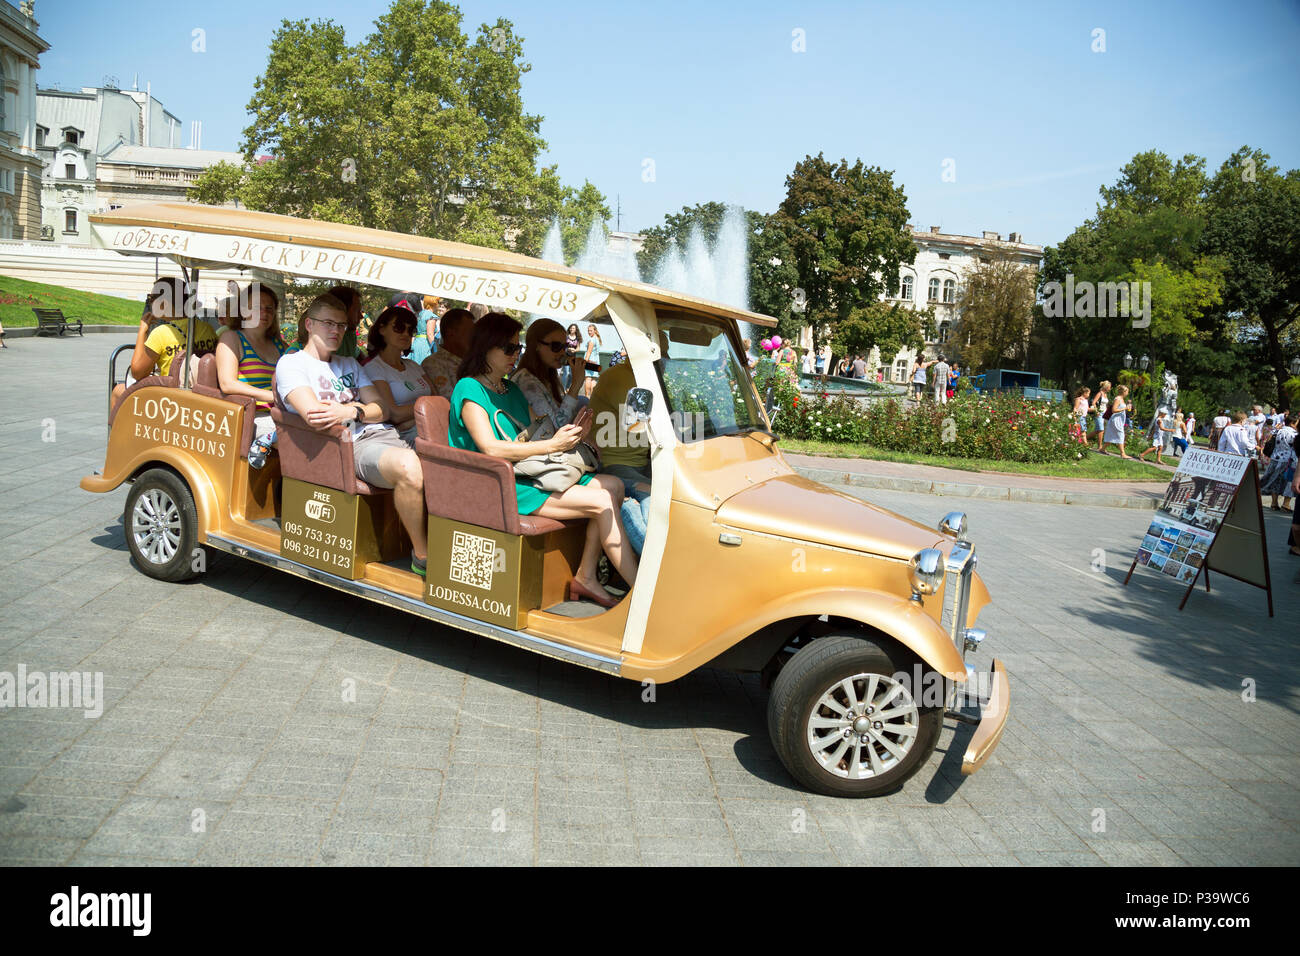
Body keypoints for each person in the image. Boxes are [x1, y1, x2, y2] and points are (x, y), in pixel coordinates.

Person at [447, 313, 637, 607]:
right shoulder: (469, 388)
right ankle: (641, 595)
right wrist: (554, 443)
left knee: (613, 485)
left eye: (517, 348)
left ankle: (586, 576)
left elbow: (539, 430)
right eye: (509, 349)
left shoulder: (509, 388)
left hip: (523, 474)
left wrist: (572, 435)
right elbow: (491, 449)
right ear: (486, 347)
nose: (515, 355)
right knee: (602, 502)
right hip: (496, 482)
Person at [276, 293, 428, 575]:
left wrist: (351, 411)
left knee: (452, 460)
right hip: (349, 446)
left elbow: (382, 409)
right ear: (309, 324)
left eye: (342, 325)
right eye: (328, 323)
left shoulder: (350, 364)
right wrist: (362, 407)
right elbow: (315, 415)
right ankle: (423, 556)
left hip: (385, 434)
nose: (336, 331)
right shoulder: (292, 363)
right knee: (410, 466)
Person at [113, 277, 218, 407]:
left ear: (163, 304)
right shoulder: (207, 329)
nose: (150, 303)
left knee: (118, 390)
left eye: (151, 299)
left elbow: (137, 373)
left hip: (170, 399)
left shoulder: (161, 333)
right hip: (202, 394)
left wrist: (142, 331)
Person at [214, 283, 287, 469]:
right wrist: (271, 396)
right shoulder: (231, 339)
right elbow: (227, 384)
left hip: (281, 413)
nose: (264, 312)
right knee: (296, 444)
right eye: (256, 307)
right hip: (251, 416)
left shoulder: (280, 345)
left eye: (269, 308)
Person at [363, 304, 434, 445]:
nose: (406, 334)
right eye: (399, 327)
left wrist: (412, 418)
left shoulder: (414, 366)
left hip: (426, 426)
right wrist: (428, 409)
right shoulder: (374, 368)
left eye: (410, 330)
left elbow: (437, 399)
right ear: (382, 329)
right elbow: (393, 414)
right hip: (403, 438)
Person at [511, 318, 586, 423]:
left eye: (564, 347)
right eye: (556, 346)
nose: (562, 353)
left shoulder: (549, 377)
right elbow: (555, 428)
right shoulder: (526, 382)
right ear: (536, 345)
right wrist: (575, 385)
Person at [421, 307, 474, 398]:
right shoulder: (433, 364)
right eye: (470, 332)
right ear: (451, 333)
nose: (473, 338)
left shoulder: (471, 362)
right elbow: (449, 400)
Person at [1260, 412, 1297, 511]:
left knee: (1275, 480)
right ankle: (1286, 504)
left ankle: (1274, 503)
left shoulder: (1277, 431)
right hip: (1288, 460)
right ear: (1293, 423)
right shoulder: (1294, 434)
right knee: (1288, 482)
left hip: (1275, 458)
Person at [411, 295, 441, 366]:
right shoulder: (431, 316)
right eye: (438, 302)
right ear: (434, 303)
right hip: (425, 345)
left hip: (416, 342)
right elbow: (430, 334)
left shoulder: (420, 314)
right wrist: (436, 350)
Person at [1101, 384, 1130, 457]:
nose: (1127, 393)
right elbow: (1114, 410)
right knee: (1121, 435)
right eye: (1127, 392)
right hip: (1116, 420)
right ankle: (1122, 454)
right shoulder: (1117, 399)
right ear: (1123, 392)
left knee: (1112, 435)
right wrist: (1125, 408)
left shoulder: (1122, 399)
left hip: (1119, 420)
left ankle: (1102, 449)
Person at [582, 323, 603, 398]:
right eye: (588, 331)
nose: (589, 332)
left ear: (595, 331)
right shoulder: (597, 339)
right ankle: (592, 397)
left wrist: (585, 361)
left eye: (591, 330)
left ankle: (587, 396)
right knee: (593, 379)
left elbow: (589, 352)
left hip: (590, 361)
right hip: (596, 361)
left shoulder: (592, 340)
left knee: (588, 378)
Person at [1090, 381, 1111, 452]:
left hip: (1104, 414)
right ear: (1106, 387)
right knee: (1101, 429)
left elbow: (1105, 405)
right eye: (1109, 387)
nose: (1110, 389)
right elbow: (1093, 402)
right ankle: (1100, 447)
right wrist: (1097, 411)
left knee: (1097, 431)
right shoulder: (1100, 393)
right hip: (1099, 413)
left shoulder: (1105, 394)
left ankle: (1083, 438)